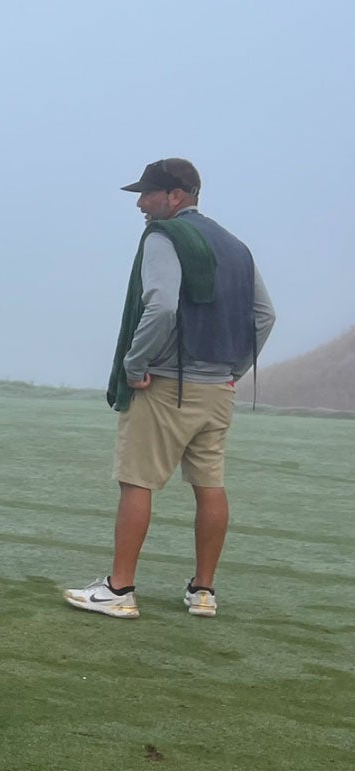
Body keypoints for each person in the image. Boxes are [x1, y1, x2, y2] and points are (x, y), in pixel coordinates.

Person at [63, 158, 275, 620]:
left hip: (167, 385)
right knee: (210, 485)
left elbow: (159, 307)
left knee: (137, 481)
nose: (140, 203)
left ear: (175, 195)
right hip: (219, 388)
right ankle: (203, 592)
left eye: (148, 193)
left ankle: (119, 589)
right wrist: (234, 367)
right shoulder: (236, 246)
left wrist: (134, 363)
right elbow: (265, 316)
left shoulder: (165, 236)